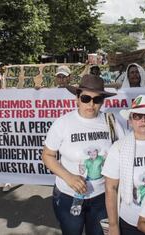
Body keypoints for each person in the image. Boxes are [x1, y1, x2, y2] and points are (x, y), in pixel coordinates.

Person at [42, 74, 125, 235]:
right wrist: (69, 177)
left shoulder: (111, 122)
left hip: (102, 196)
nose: (91, 104)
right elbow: (47, 155)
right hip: (68, 196)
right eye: (86, 98)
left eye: (97, 99)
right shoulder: (63, 123)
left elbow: (128, 145)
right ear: (77, 99)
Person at [102, 95, 145, 235]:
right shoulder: (119, 147)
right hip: (130, 220)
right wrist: (113, 226)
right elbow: (110, 188)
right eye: (137, 116)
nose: (143, 120)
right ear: (130, 121)